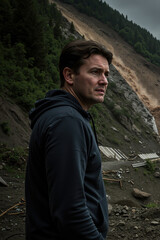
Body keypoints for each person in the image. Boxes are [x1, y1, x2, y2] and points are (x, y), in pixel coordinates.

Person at [25, 39, 113, 240]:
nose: (104, 81)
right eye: (95, 72)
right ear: (69, 75)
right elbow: (70, 211)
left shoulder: (63, 116)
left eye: (106, 74)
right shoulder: (67, 122)